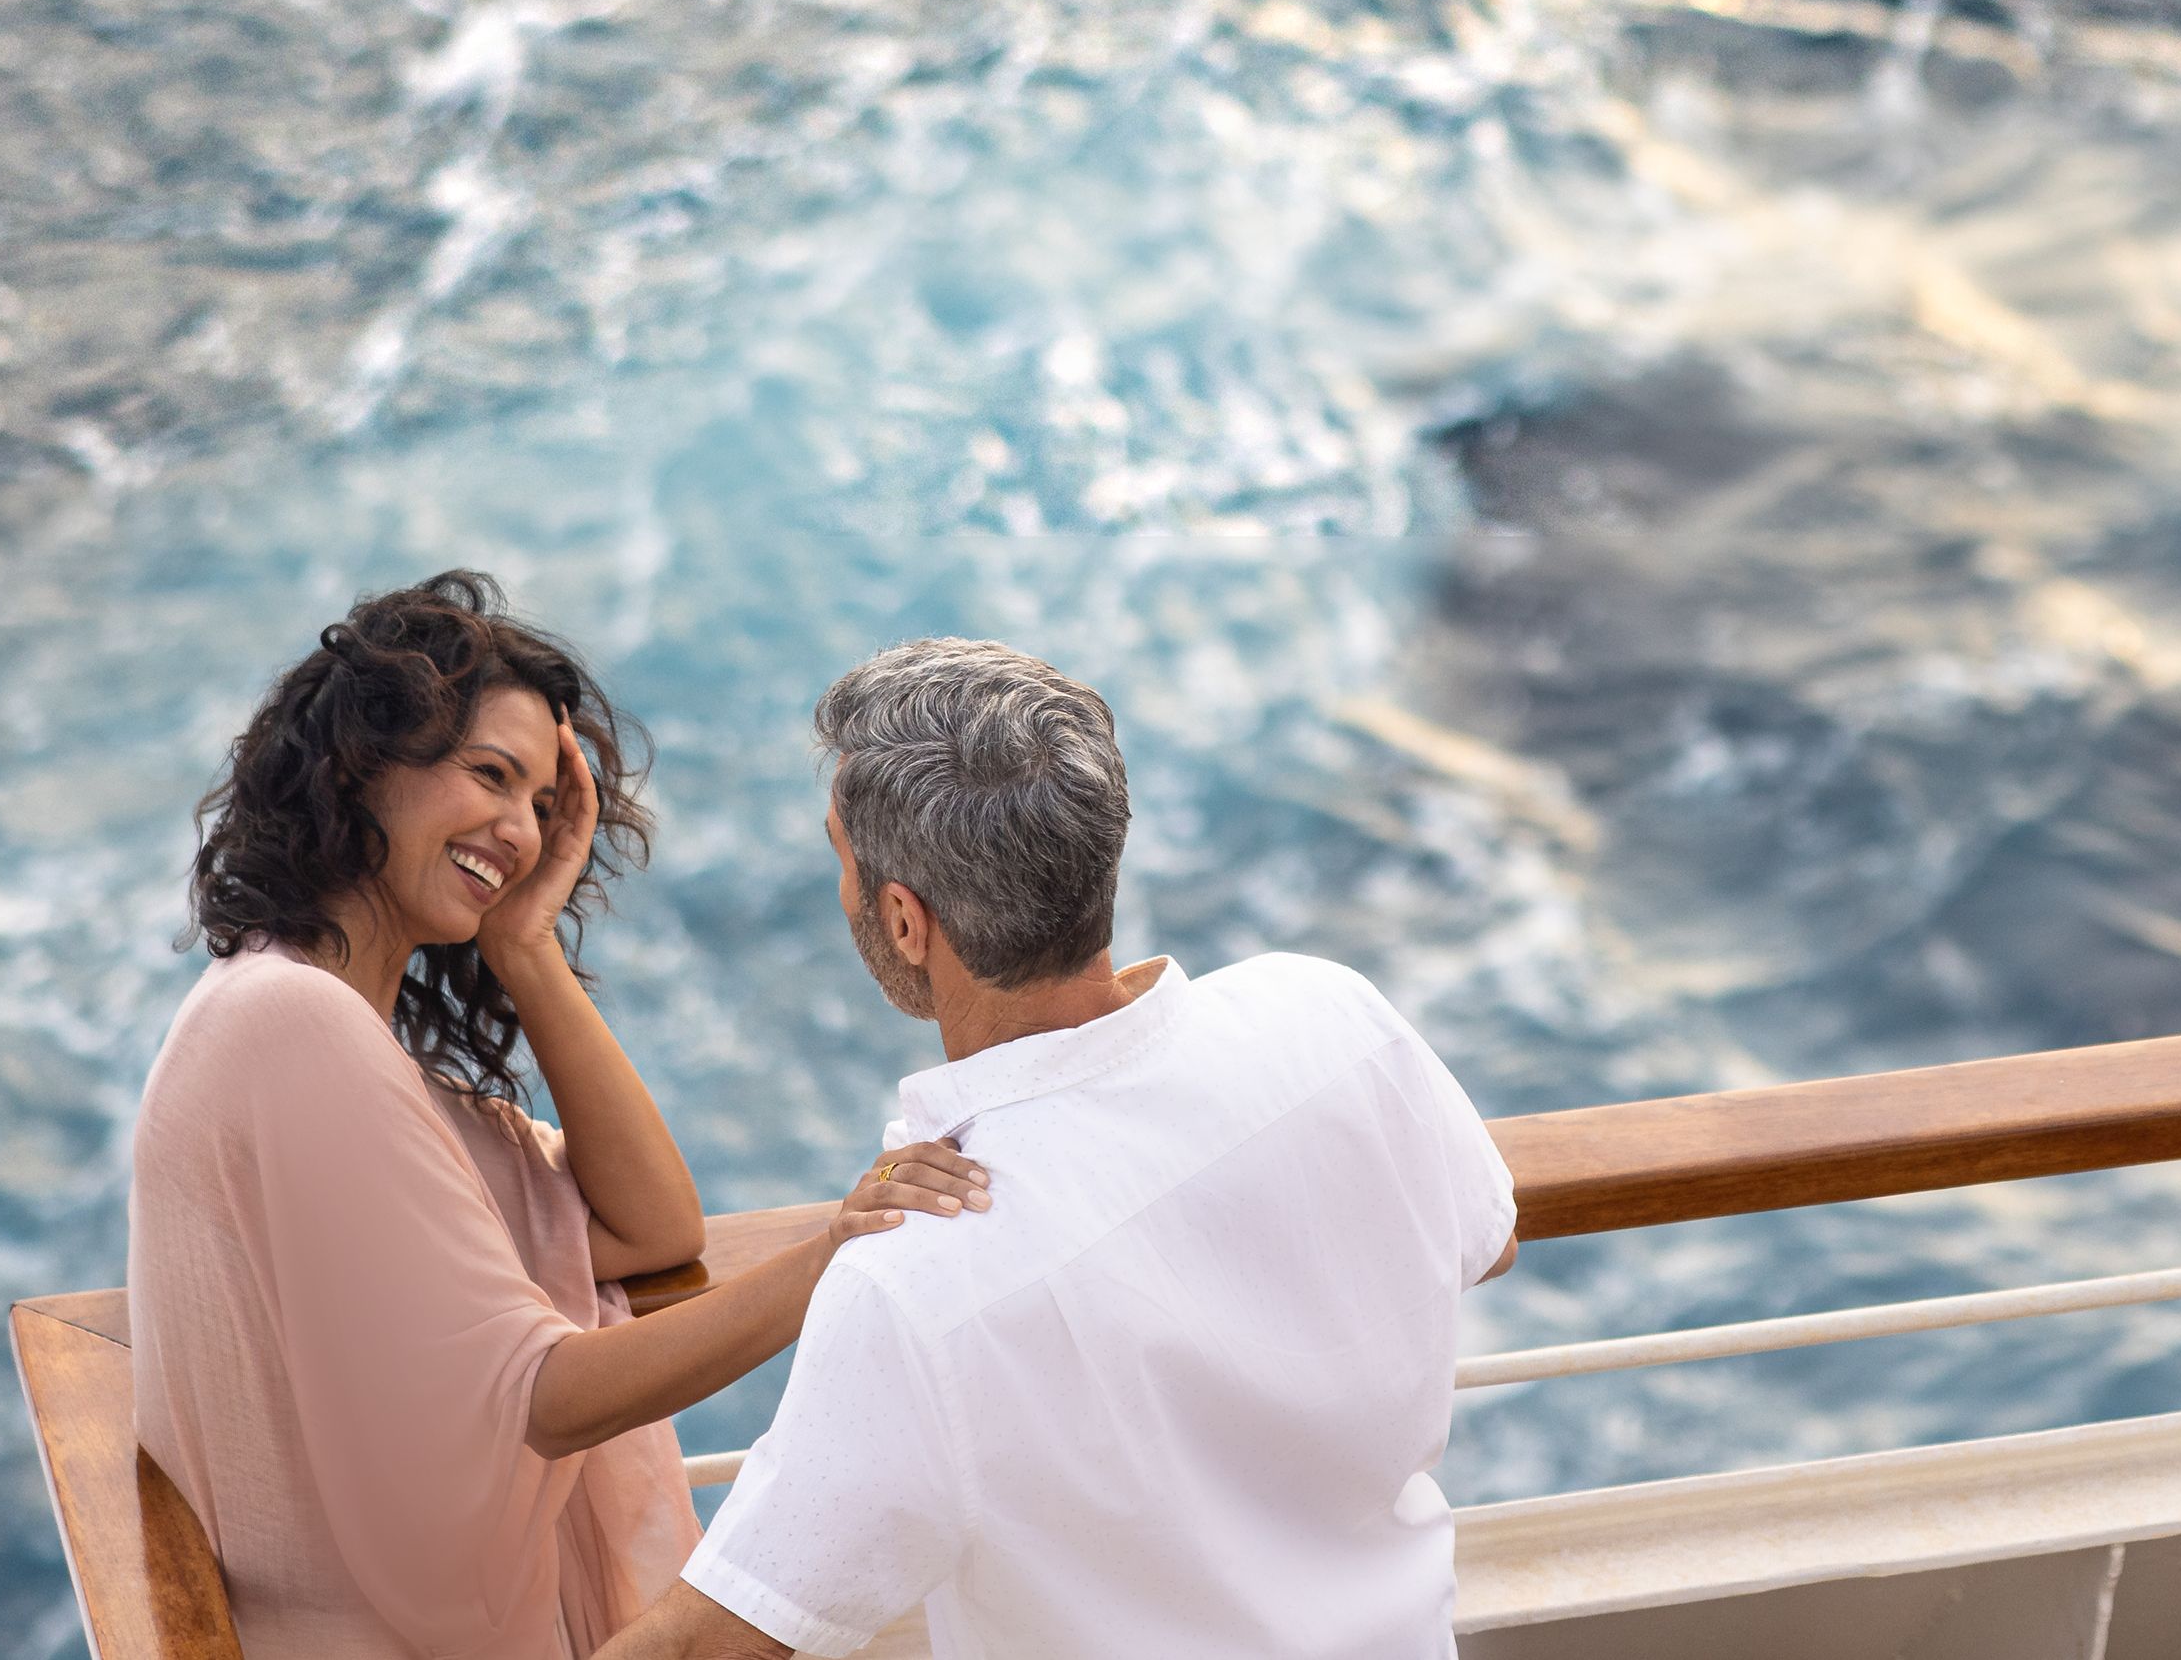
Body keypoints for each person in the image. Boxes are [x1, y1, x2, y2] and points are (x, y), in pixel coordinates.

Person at [597, 639, 1520, 1660]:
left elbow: (710, 1646)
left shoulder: (922, 1271)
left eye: (841, 858)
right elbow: (1489, 1240)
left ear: (904, 921)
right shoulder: (1331, 1014)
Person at [132, 571, 994, 1660]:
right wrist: (838, 1247)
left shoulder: (327, 1036)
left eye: (542, 806)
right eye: (489, 774)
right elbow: (536, 1397)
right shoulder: (293, 1025)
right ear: (359, 764)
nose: (517, 830)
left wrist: (525, 945)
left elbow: (651, 1226)